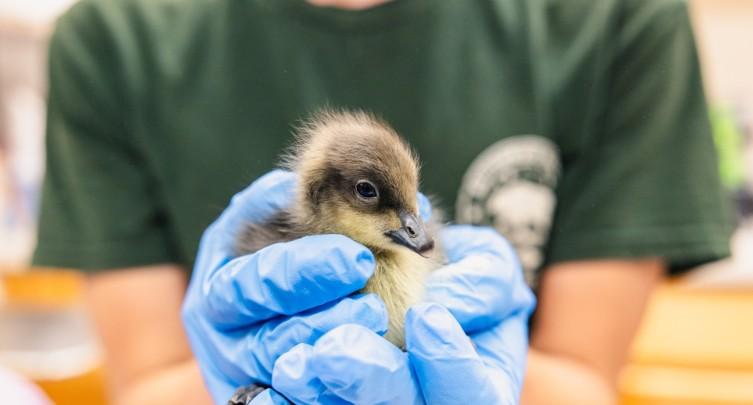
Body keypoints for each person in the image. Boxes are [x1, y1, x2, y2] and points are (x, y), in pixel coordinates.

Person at [32, 0, 731, 404]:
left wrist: (491, 376)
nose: (416, 227)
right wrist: (237, 377)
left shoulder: (616, 18)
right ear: (320, 192)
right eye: (371, 195)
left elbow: (582, 381)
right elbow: (146, 386)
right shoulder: (112, 36)